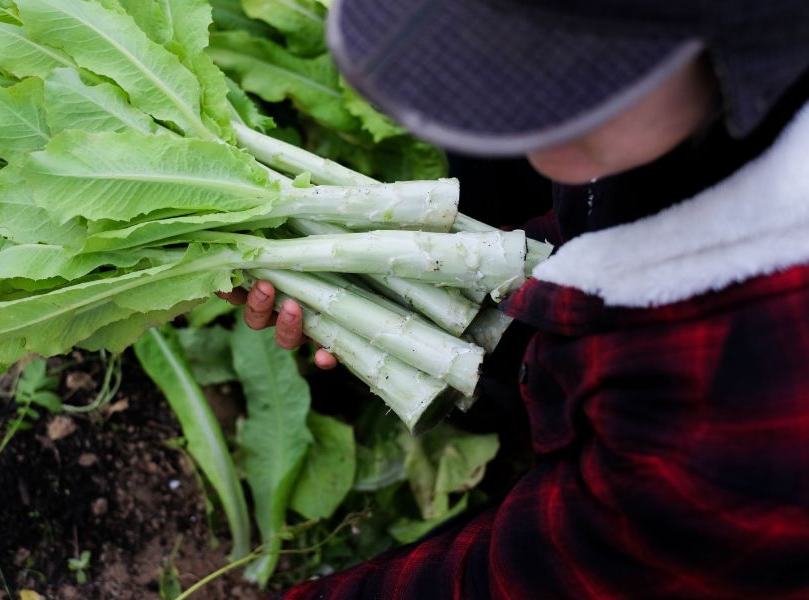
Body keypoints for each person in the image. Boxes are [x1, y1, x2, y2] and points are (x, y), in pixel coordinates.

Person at [225, 1, 809, 597]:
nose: (517, 126)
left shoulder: (737, 424)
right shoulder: (680, 122)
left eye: (572, 78)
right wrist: (365, 299)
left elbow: (511, 581)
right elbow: (588, 243)